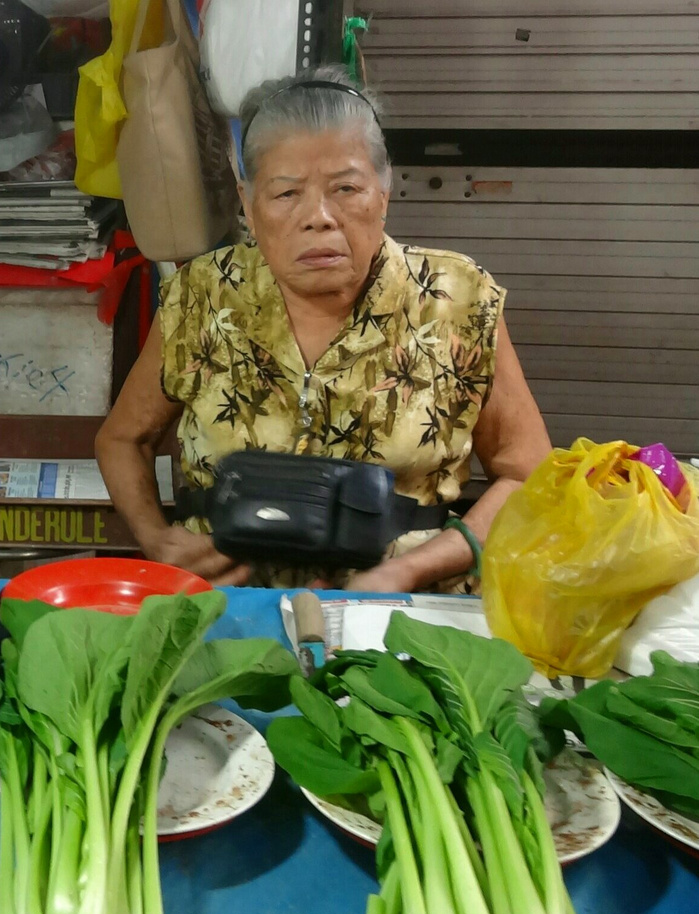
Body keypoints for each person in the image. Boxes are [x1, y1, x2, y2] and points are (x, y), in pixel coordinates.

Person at [95, 67, 552, 592]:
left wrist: (412, 569)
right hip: (229, 605)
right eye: (286, 194)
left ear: (384, 190)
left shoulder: (457, 300)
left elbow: (527, 476)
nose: (319, 217)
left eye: (346, 188)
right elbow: (122, 438)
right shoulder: (204, 295)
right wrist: (156, 538)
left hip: (404, 613)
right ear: (247, 202)